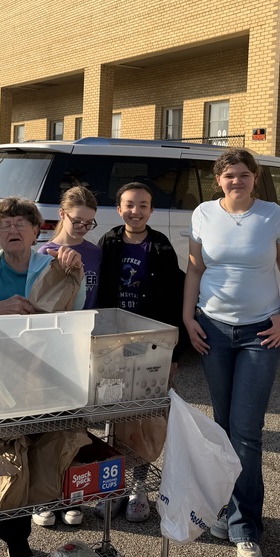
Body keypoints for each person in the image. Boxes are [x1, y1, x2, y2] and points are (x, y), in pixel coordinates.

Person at [182, 148, 280, 557]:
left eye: (244, 175)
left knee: (247, 431)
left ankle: (246, 527)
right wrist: (188, 317)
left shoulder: (272, 216)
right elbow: (195, 270)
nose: (237, 181)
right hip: (213, 328)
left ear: (255, 178)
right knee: (223, 426)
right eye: (229, 175)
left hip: (259, 333)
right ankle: (227, 508)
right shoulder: (202, 214)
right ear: (219, 179)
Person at [0, 196, 85, 557]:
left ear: (35, 231)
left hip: (34, 378)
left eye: (20, 223)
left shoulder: (51, 265)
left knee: (25, 457)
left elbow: (76, 308)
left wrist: (77, 272)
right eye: (4, 225)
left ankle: (17, 539)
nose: (12, 230)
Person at [93, 181, 185, 523]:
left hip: (150, 346)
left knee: (143, 415)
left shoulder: (160, 246)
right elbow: (99, 290)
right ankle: (110, 485)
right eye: (129, 204)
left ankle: (139, 485)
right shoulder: (110, 242)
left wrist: (174, 354)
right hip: (114, 343)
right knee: (111, 415)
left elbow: (174, 298)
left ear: (151, 210)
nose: (136, 210)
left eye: (143, 205)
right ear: (119, 209)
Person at [30, 185, 101, 527]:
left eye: (90, 223)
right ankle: (43, 496)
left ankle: (68, 493)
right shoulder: (43, 252)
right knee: (43, 422)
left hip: (81, 344)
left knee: (75, 424)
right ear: (61, 214)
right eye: (77, 221)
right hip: (48, 348)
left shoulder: (94, 252)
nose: (83, 228)